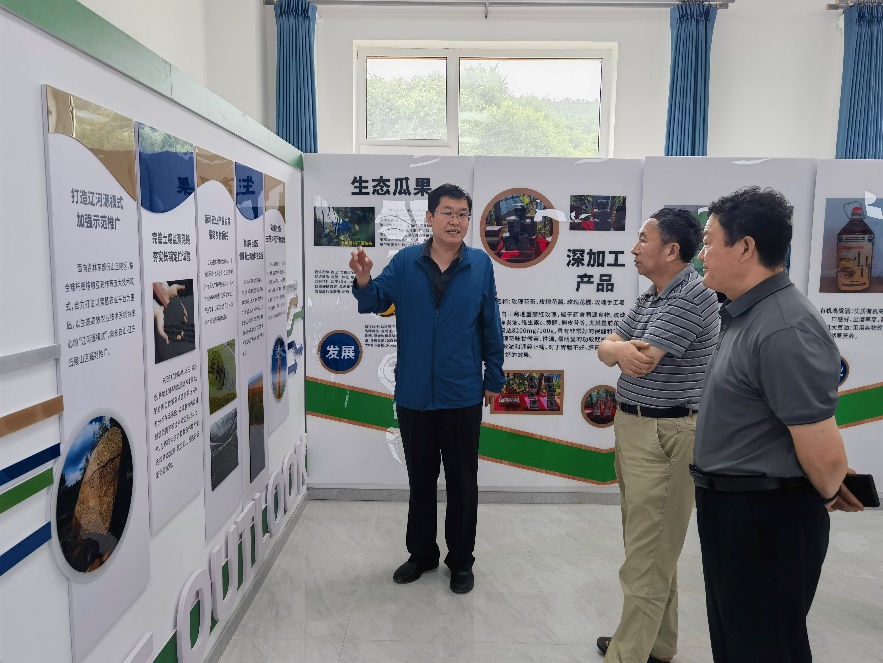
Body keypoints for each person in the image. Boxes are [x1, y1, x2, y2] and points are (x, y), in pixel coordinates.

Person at [692, 186, 863, 663]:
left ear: (745, 247)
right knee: (737, 641)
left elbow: (823, 453)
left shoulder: (785, 328)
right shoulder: (748, 314)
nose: (701, 255)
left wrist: (828, 484)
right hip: (733, 509)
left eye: (709, 242)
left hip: (766, 518)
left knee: (766, 646)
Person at [349, 183, 505, 595]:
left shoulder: (480, 265)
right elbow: (374, 301)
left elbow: (491, 323)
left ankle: (461, 561)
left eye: (462, 214)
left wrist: (494, 376)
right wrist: (364, 279)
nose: (456, 221)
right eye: (448, 212)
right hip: (415, 394)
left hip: (462, 393)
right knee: (420, 480)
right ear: (430, 217)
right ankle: (421, 555)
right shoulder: (405, 262)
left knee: (463, 482)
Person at [596, 208, 720, 663]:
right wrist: (616, 349)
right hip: (636, 427)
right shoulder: (653, 296)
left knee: (647, 557)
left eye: (643, 239)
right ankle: (657, 645)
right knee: (650, 547)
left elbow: (642, 360)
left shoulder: (692, 295)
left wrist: (618, 349)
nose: (634, 248)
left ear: (671, 250)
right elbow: (606, 347)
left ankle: (628, 654)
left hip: (665, 434)